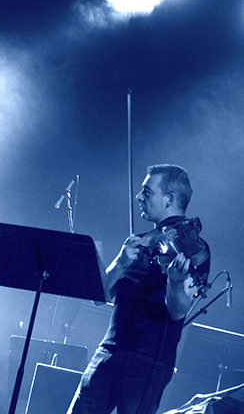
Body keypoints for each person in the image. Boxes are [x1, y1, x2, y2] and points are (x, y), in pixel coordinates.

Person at [67, 164, 211, 414]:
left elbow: (177, 312)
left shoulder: (193, 247)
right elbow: (98, 298)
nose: (139, 197)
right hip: (110, 349)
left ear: (169, 199)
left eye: (147, 191)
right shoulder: (140, 242)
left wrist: (175, 283)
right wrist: (120, 262)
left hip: (149, 359)